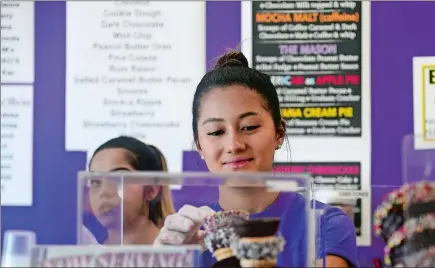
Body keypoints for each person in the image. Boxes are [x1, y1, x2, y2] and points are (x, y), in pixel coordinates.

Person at [154, 51, 359, 267]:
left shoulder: (326, 223)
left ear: (279, 133)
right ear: (199, 145)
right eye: (216, 132)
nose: (234, 145)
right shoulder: (188, 234)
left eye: (249, 127)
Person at [86, 136, 175, 244]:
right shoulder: (89, 256)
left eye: (118, 178)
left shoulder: (179, 254)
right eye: (95, 182)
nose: (103, 192)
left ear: (151, 190)